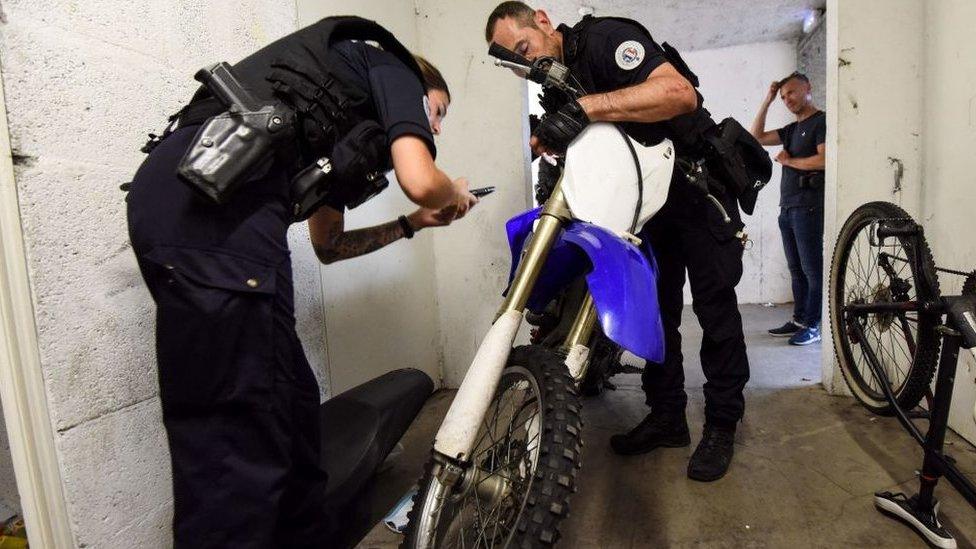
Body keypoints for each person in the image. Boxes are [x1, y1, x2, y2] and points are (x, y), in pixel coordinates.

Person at [126, 16, 477, 548]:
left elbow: (328, 246)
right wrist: (450, 192)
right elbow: (420, 178)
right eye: (438, 111)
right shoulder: (394, 65)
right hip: (211, 220)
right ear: (419, 88)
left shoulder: (334, 132)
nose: (438, 128)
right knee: (238, 446)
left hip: (200, 218)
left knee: (289, 406)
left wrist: (412, 224)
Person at [486, 2, 750, 482]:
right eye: (519, 65)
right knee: (658, 312)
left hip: (696, 188)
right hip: (646, 206)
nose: (531, 67)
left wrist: (584, 108)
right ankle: (668, 417)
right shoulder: (556, 84)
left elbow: (679, 94)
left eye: (526, 49)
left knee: (715, 309)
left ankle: (721, 424)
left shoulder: (606, 39)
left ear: (543, 21)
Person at [750, 72, 826, 346]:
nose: (787, 100)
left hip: (809, 208)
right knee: (796, 270)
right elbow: (756, 136)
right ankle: (798, 319)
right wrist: (768, 100)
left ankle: (814, 325)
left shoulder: (821, 121)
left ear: (808, 89)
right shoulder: (792, 130)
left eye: (791, 93)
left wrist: (790, 161)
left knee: (812, 271)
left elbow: (824, 160)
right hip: (788, 208)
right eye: (783, 96)